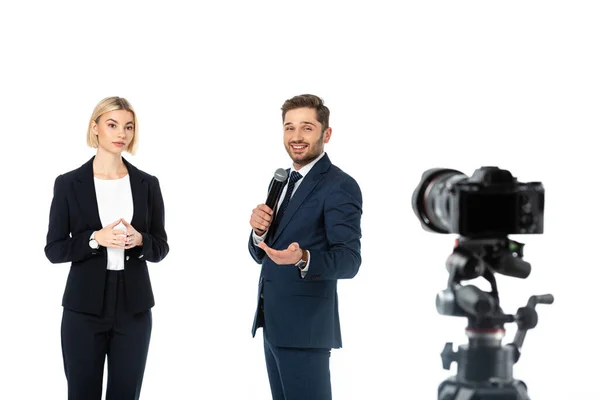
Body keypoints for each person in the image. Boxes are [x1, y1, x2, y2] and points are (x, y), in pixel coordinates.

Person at [45, 96, 169, 400]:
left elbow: (161, 246)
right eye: (112, 125)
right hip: (83, 308)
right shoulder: (68, 183)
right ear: (95, 127)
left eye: (128, 127)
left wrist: (141, 241)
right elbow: (54, 249)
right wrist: (93, 239)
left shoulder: (147, 183)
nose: (121, 134)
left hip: (134, 308)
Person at [248, 94, 363, 400]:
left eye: (307, 128)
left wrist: (303, 258)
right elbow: (262, 254)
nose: (296, 137)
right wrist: (259, 233)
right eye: (289, 128)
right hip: (273, 324)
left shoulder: (339, 185)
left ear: (326, 134)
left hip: (306, 330)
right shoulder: (282, 181)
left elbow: (349, 260)